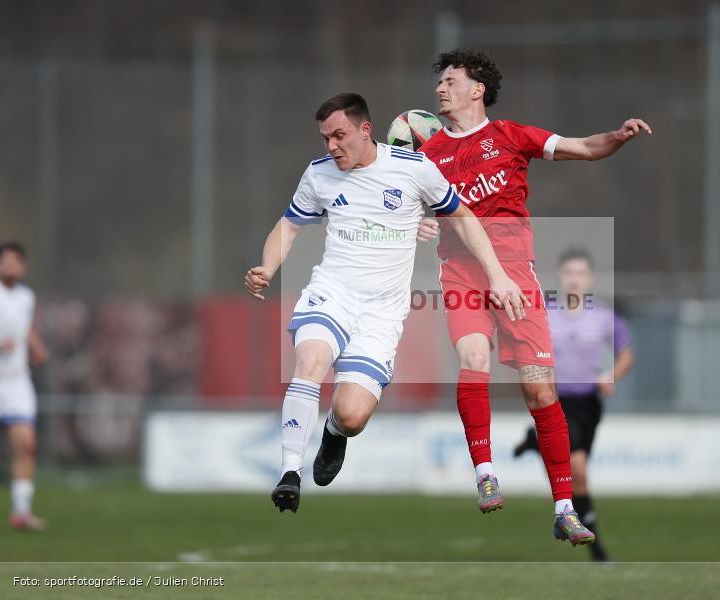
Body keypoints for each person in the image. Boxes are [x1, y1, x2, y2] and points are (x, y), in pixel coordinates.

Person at [244, 93, 526, 514]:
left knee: (353, 415)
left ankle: (335, 432)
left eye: (339, 136)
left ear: (365, 129)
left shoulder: (413, 170)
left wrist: (498, 275)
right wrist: (266, 267)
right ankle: (289, 473)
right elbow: (288, 226)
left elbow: (464, 218)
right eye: (325, 139)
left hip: (382, 313)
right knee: (310, 361)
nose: (331, 147)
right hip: (331, 294)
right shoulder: (319, 174)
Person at [416, 48, 650, 545]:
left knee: (540, 390)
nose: (441, 88)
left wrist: (618, 136)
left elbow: (584, 147)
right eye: (441, 82)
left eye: (452, 81)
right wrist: (415, 223)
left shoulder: (510, 136)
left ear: (478, 90)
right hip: (461, 272)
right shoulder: (429, 154)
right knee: (472, 357)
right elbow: (406, 209)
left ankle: (564, 509)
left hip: (516, 275)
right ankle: (485, 472)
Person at [513, 248, 634, 561]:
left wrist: (612, 375)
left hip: (589, 403)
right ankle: (595, 546)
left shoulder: (603, 316)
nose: (574, 280)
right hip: (557, 399)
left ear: (589, 278)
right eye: (569, 273)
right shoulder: (546, 314)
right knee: (576, 468)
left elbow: (626, 351)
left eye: (580, 274)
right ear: (560, 277)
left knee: (577, 467)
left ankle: (535, 442)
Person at [0, 242, 50, 531]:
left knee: (26, 445)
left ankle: (21, 512)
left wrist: (36, 346)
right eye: (7, 261)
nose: (13, 266)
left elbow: (25, 327)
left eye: (19, 262)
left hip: (16, 381)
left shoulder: (26, 297)